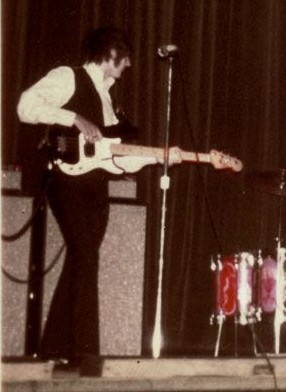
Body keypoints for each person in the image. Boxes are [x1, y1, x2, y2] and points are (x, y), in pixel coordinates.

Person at [17, 26, 182, 366]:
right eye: (126, 59)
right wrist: (73, 117)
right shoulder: (68, 77)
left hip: (96, 192)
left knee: (81, 260)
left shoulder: (109, 102)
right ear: (111, 55)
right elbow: (25, 105)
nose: (129, 66)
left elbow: (117, 158)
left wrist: (158, 156)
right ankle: (85, 353)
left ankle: (54, 349)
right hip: (68, 184)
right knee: (86, 257)